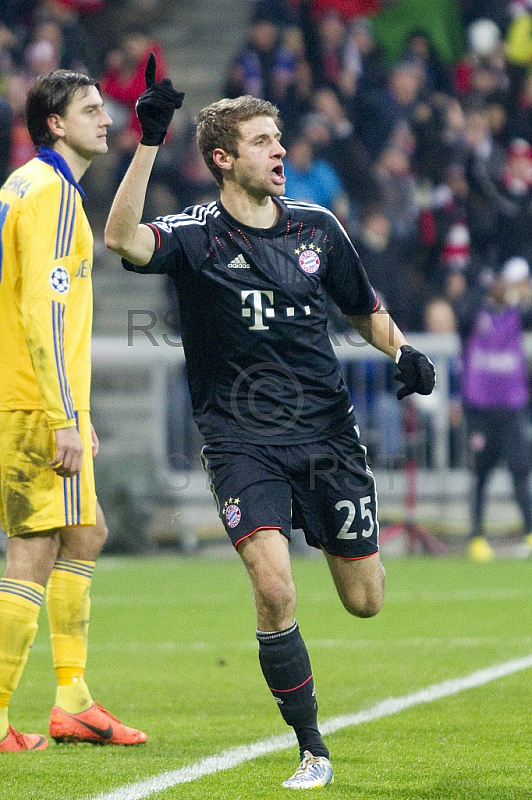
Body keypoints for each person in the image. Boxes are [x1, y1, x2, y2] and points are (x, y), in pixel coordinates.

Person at [105, 53, 435, 788]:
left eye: (278, 139)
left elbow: (363, 305)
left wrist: (402, 349)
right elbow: (122, 240)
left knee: (365, 601)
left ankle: (341, 555)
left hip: (325, 433)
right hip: (238, 437)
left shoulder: (317, 227)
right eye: (261, 141)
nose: (280, 150)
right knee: (275, 586)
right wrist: (148, 144)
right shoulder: (194, 231)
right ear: (223, 159)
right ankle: (312, 747)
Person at [0, 69, 147, 751]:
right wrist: (63, 416)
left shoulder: (23, 187)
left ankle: (72, 701)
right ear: (54, 123)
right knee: (33, 547)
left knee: (84, 531)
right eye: (90, 109)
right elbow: (44, 314)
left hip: (36, 396)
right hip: (34, 401)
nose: (106, 118)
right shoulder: (54, 195)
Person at [453, 257, 532, 560]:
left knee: (521, 470)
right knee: (481, 473)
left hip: (511, 405)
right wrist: (483, 288)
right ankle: (476, 536)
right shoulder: (475, 315)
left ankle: (529, 530)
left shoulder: (516, 314)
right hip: (480, 407)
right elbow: (462, 313)